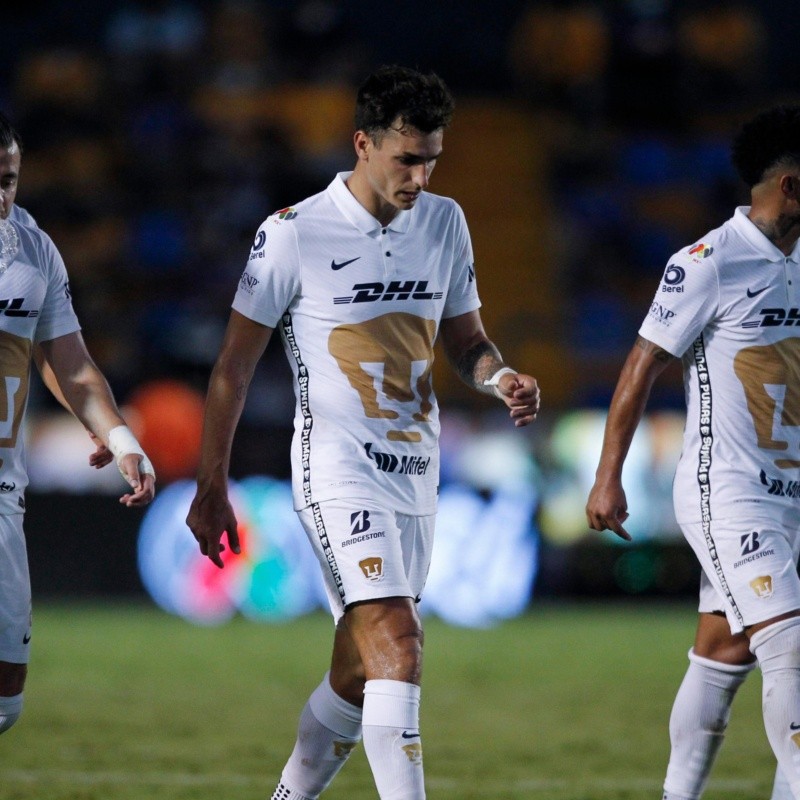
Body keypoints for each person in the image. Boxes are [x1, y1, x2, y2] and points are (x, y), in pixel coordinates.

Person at [186, 64, 540, 800]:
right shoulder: (293, 235)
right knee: (400, 643)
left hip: (416, 473)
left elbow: (468, 344)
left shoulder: (445, 223)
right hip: (336, 468)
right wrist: (211, 485)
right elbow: (232, 369)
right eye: (407, 158)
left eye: (431, 159)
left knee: (359, 670)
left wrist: (500, 377)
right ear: (362, 144)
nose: (420, 175)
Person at [586, 104, 800, 800]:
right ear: (790, 185)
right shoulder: (709, 262)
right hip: (728, 489)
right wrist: (607, 477)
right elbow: (641, 366)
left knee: (724, 649)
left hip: (791, 491)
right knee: (791, 646)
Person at [0, 112, 156, 735]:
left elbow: (70, 363)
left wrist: (121, 440)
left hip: (2, 495)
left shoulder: (33, 251)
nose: (0, 195)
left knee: (6, 701)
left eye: (8, 179)